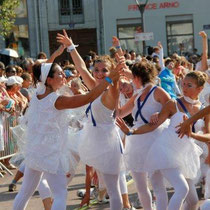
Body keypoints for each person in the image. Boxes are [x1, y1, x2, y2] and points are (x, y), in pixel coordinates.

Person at [13, 58, 120, 210]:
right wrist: (109, 78)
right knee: (60, 194)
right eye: (60, 74)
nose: (64, 76)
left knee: (25, 192)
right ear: (49, 79)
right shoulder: (57, 100)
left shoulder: (38, 93)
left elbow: (42, 71)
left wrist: (61, 52)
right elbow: (88, 97)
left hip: (35, 150)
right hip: (51, 153)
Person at [117, 71, 209, 210]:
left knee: (193, 201)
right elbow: (152, 125)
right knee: (181, 189)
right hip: (166, 151)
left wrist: (193, 135)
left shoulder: (203, 110)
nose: (184, 88)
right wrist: (131, 131)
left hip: (186, 156)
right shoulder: (173, 104)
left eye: (189, 85)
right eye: (183, 84)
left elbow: (208, 135)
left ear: (200, 89)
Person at [56, 29, 125, 210]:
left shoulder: (111, 91)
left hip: (107, 142)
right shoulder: (95, 87)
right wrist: (71, 47)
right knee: (105, 187)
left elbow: (114, 86)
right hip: (93, 139)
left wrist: (116, 74)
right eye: (97, 70)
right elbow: (81, 67)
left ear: (110, 72)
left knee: (113, 189)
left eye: (104, 70)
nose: (99, 73)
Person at [116, 61, 171, 210]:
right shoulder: (137, 94)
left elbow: (172, 108)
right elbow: (120, 113)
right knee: (140, 186)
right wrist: (114, 92)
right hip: (137, 141)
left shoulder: (157, 91)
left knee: (157, 184)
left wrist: (160, 113)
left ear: (137, 77)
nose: (131, 80)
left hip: (155, 140)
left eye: (132, 77)